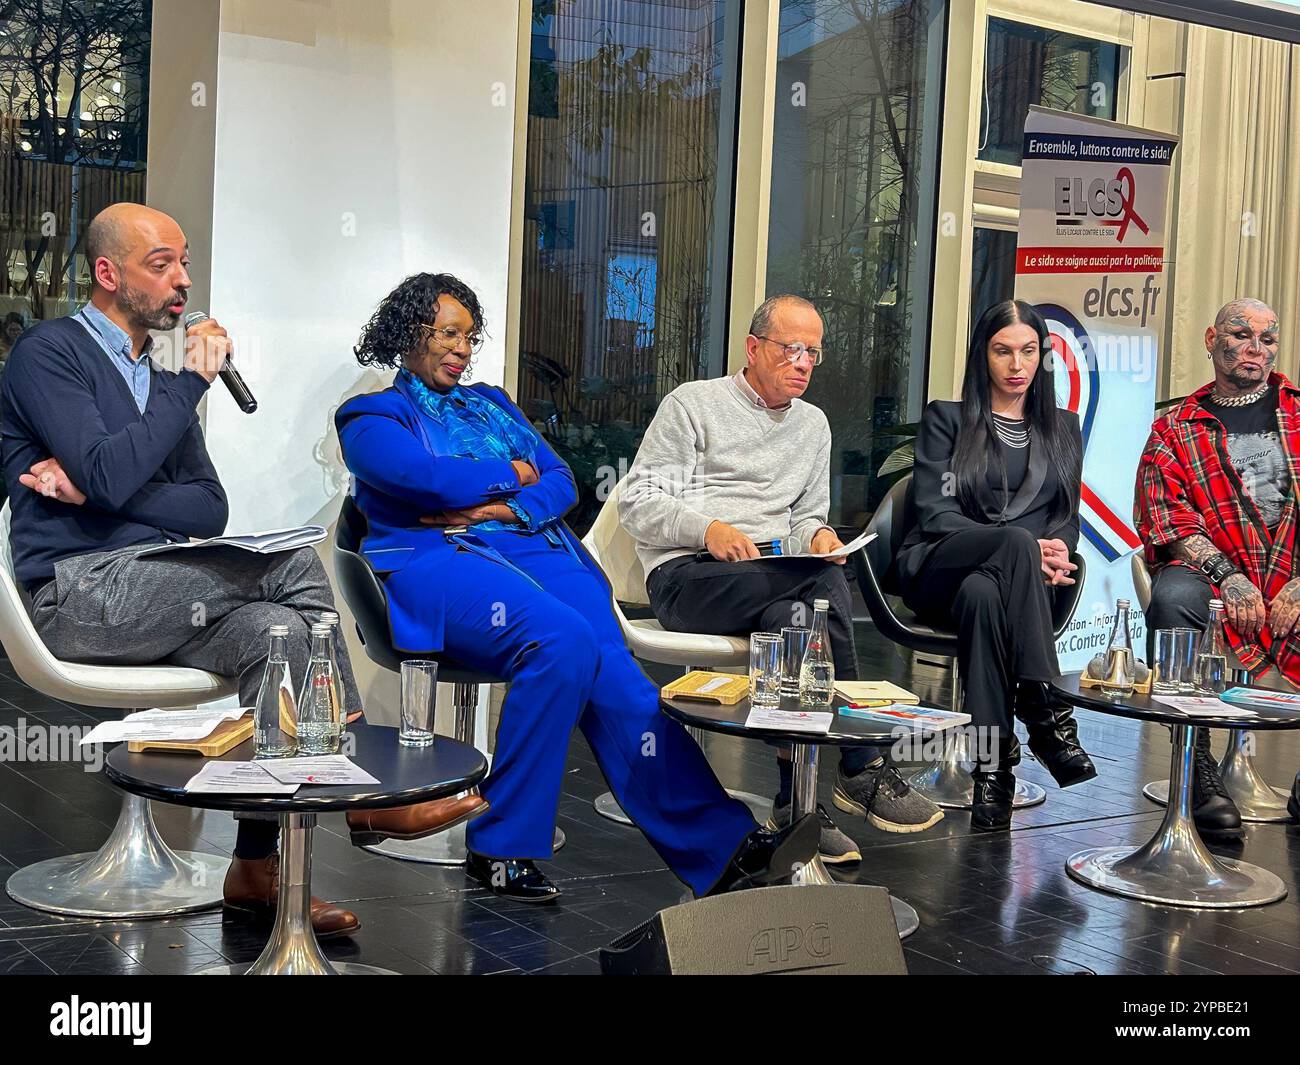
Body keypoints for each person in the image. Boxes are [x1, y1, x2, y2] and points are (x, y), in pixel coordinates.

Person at [0, 203, 477, 938]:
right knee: (288, 560)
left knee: (280, 631)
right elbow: (111, 471)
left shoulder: (157, 377)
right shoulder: (49, 354)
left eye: (185, 261)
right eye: (162, 264)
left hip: (162, 583)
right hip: (79, 592)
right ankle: (364, 790)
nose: (183, 279)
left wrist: (109, 487)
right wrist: (160, 422)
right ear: (107, 273)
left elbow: (206, 507)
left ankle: (256, 866)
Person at [335, 271, 817, 903]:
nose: (461, 348)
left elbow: (562, 483)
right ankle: (502, 843)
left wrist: (501, 507)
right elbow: (422, 481)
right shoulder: (371, 414)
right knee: (561, 640)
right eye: (447, 333)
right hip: (438, 562)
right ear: (409, 334)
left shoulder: (494, 404)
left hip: (538, 550)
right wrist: (511, 472)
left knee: (619, 677)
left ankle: (721, 844)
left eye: (469, 336)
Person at [620, 293, 944, 859]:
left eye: (813, 353)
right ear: (752, 348)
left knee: (797, 614)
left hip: (772, 577)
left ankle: (796, 808)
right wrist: (707, 529)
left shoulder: (813, 425)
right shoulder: (692, 405)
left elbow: (803, 518)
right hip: (687, 577)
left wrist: (817, 538)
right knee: (814, 590)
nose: (803, 363)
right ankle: (862, 765)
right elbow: (638, 503)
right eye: (791, 348)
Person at [887, 299, 1096, 831]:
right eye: (1003, 351)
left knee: (985, 594)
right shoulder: (947, 419)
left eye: (1029, 351)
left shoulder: (1063, 428)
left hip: (1000, 587)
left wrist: (1055, 549)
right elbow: (935, 513)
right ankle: (1045, 712)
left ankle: (993, 768)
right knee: (1011, 551)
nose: (1017, 364)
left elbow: (1063, 518)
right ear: (983, 355)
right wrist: (1022, 546)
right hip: (939, 566)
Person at [1136, 296, 1300, 832]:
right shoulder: (1175, 426)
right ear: (1212, 339)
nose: (1254, 350)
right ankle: (1196, 767)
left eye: (1267, 340)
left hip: (1292, 571)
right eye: (1240, 335)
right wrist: (1227, 578)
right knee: (1173, 598)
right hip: (1213, 572)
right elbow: (1167, 521)